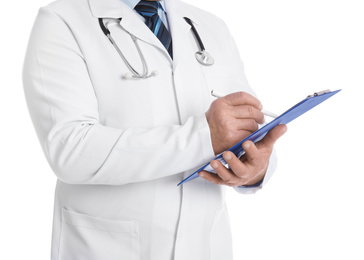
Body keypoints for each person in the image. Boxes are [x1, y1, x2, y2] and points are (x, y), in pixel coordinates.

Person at [22, 0, 287, 259]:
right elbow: (70, 150)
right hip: (109, 247)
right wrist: (203, 137)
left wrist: (255, 166)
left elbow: (246, 125)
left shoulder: (209, 26)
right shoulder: (62, 21)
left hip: (207, 246)